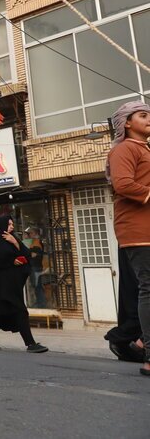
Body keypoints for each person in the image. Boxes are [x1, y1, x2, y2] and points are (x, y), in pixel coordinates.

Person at [106, 101, 150, 376]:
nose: (149, 119)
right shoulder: (124, 148)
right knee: (149, 288)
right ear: (127, 123)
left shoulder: (145, 149)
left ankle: (140, 342)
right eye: (143, 115)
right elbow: (122, 183)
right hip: (137, 230)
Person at [0, 215, 48, 353]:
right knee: (20, 311)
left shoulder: (13, 238)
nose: (12, 226)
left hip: (12, 285)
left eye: (12, 224)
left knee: (3, 313)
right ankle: (30, 344)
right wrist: (11, 262)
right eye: (9, 224)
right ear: (2, 226)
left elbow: (27, 255)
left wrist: (15, 243)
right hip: (0, 285)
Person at [24, 227, 46, 308]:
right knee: (36, 285)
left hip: (36, 267)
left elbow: (34, 254)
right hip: (35, 266)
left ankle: (41, 304)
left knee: (37, 285)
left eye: (31, 233)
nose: (29, 235)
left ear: (35, 233)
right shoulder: (34, 242)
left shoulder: (36, 242)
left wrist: (27, 251)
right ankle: (39, 302)